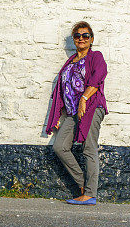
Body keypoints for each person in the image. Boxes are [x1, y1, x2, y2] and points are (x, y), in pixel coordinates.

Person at [46, 21, 108, 205]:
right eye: (77, 36)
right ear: (74, 39)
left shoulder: (96, 56)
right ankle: (83, 185)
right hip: (73, 112)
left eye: (85, 35)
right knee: (60, 146)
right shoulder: (69, 62)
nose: (81, 38)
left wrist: (84, 98)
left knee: (89, 147)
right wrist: (58, 114)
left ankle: (90, 194)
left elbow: (98, 77)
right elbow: (62, 90)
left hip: (91, 107)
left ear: (91, 39)